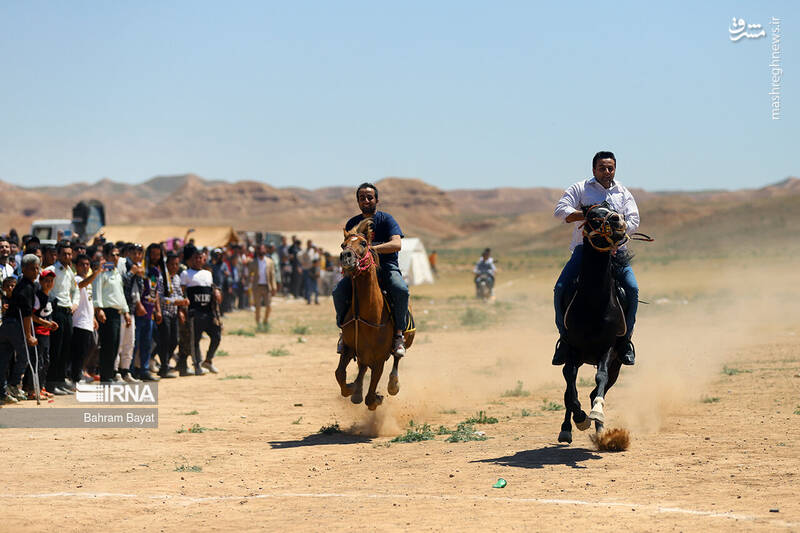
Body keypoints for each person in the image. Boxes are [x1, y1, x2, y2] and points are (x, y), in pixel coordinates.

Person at [552, 151, 640, 366]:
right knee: (561, 287)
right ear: (594, 169)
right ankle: (564, 339)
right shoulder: (580, 189)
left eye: (610, 168)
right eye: (602, 167)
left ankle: (625, 342)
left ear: (615, 169)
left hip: (615, 251)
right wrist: (590, 214)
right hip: (584, 250)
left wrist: (616, 226)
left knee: (632, 289)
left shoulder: (623, 192)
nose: (607, 171)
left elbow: (634, 220)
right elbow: (560, 212)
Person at [332, 182, 409, 356]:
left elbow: (397, 244)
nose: (366, 200)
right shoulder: (353, 222)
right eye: (362, 198)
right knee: (338, 292)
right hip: (360, 269)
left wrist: (372, 249)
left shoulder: (386, 219)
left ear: (377, 199)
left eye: (369, 197)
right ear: (357, 201)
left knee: (401, 290)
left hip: (386, 266)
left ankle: (398, 335)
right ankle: (344, 333)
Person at [0, 254, 40, 404]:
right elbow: (27, 314)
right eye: (32, 269)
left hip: (6, 325)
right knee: (25, 356)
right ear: (23, 269)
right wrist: (29, 335)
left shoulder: (21, 284)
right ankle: (13, 384)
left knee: (3, 359)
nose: (35, 272)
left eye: (37, 268)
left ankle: (2, 391)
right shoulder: (28, 287)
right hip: (16, 325)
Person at [93, 243, 132, 382]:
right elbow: (96, 290)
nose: (115, 257)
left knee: (115, 345)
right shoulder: (102, 272)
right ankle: (105, 376)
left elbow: (120, 294)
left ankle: (110, 375)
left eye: (117, 255)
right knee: (107, 345)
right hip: (106, 312)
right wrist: (98, 309)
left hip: (117, 312)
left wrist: (126, 311)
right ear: (106, 256)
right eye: (112, 255)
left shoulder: (116, 273)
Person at [181, 245, 221, 374]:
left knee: (216, 336)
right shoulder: (186, 274)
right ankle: (197, 365)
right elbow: (182, 292)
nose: (198, 260)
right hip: (195, 312)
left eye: (200, 258)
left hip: (208, 311)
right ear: (191, 260)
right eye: (195, 258)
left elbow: (212, 288)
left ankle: (208, 360)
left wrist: (216, 292)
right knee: (195, 340)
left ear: (204, 259)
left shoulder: (208, 274)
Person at [44, 241, 79, 395]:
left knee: (66, 347)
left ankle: (60, 380)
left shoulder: (70, 271)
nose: (67, 256)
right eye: (64, 254)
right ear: (57, 255)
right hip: (55, 311)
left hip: (67, 312)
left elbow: (75, 289)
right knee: (56, 348)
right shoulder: (50, 270)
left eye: (69, 254)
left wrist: (75, 304)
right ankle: (51, 383)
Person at [27, 268, 57, 399]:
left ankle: (41, 386)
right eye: (46, 281)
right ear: (40, 281)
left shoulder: (50, 297)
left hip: (46, 334)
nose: (49, 283)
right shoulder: (37, 297)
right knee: (37, 361)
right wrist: (44, 323)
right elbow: (31, 316)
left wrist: (51, 323)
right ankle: (32, 389)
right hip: (37, 332)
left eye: (51, 281)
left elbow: (47, 315)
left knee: (46, 361)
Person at [71, 254, 99, 387]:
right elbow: (82, 284)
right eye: (82, 264)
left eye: (87, 264)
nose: (85, 267)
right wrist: (96, 273)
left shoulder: (88, 281)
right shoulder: (76, 279)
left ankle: (79, 375)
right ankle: (75, 378)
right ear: (76, 266)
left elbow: (89, 300)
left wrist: (93, 317)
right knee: (78, 352)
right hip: (78, 322)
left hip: (87, 321)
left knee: (86, 350)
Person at [158, 252, 187, 378]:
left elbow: (179, 293)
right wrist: (176, 301)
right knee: (165, 340)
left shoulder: (176, 278)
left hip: (174, 312)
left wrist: (181, 305)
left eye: (177, 264)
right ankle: (164, 367)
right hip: (164, 312)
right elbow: (159, 297)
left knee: (174, 340)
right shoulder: (161, 278)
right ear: (167, 265)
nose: (175, 266)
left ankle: (164, 363)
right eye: (172, 264)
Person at [248, 244, 276, 327]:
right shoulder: (253, 263)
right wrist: (248, 284)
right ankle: (258, 324)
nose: (261, 251)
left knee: (268, 306)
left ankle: (265, 321)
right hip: (257, 287)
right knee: (258, 307)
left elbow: (272, 275)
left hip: (267, 287)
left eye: (263, 249)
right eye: (260, 249)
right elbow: (249, 275)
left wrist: (274, 287)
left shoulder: (269, 262)